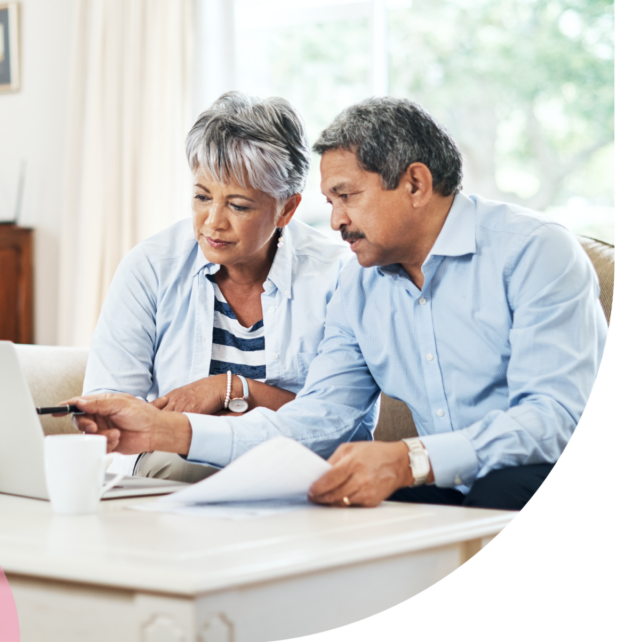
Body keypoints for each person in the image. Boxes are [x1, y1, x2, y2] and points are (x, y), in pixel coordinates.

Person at [68, 97, 608, 510]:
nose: (335, 221)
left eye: (346, 196)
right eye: (331, 202)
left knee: (503, 487)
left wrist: (411, 458)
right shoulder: (360, 286)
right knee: (339, 516)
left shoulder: (536, 252)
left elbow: (553, 420)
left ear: (415, 183)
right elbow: (319, 419)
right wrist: (174, 431)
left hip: (533, 468)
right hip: (444, 483)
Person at [81, 91, 359, 483]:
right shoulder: (151, 267)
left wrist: (229, 389)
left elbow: (342, 423)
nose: (212, 222)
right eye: (201, 197)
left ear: (286, 209)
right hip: (173, 473)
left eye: (239, 205)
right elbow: (107, 408)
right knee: (177, 467)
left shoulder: (337, 277)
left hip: (291, 474)